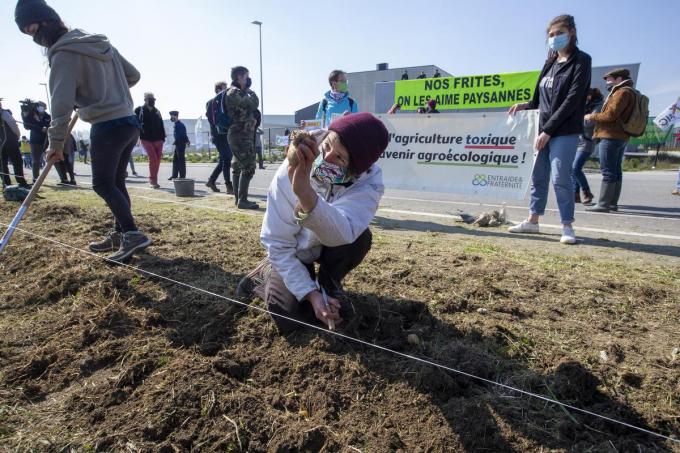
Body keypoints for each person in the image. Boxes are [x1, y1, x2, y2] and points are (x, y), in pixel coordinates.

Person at [17, 0, 151, 262]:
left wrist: (55, 143)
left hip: (107, 126)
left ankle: (133, 234)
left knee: (102, 183)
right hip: (128, 122)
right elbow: (133, 75)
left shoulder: (63, 54)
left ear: (47, 22)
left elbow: (61, 104)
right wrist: (108, 90)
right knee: (116, 182)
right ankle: (120, 232)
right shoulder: (99, 43)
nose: (35, 39)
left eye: (33, 31)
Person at [236, 112, 389, 334]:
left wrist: (306, 196)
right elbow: (277, 242)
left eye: (339, 158)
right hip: (292, 251)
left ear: (357, 169)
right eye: (327, 147)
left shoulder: (369, 184)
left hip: (328, 244)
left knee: (360, 237)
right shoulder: (290, 171)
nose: (326, 159)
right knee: (291, 318)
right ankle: (264, 274)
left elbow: (343, 232)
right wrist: (311, 295)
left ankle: (329, 285)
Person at [507, 14, 591, 245]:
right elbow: (540, 98)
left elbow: (572, 99)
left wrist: (549, 131)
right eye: (551, 35)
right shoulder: (550, 62)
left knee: (560, 177)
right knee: (538, 177)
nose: (554, 38)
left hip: (563, 131)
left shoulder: (581, 61)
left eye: (559, 33)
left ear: (571, 33)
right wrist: (526, 105)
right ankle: (533, 220)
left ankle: (567, 226)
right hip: (541, 128)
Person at [584, 69, 636, 212]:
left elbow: (610, 115)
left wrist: (591, 117)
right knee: (616, 170)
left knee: (608, 171)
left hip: (610, 135)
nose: (607, 83)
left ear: (619, 79)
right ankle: (612, 203)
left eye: (609, 79)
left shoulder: (621, 92)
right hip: (620, 136)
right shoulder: (630, 91)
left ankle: (604, 203)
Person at [225, 66, 260, 209]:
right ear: (239, 76)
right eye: (246, 76)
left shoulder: (236, 92)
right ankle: (242, 200)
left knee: (237, 166)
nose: (248, 79)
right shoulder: (233, 92)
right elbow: (253, 104)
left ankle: (238, 199)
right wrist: (250, 91)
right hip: (240, 135)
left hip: (241, 134)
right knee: (249, 166)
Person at [572, 87, 603, 205]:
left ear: (590, 96)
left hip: (587, 141)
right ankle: (575, 194)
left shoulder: (597, 105)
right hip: (576, 139)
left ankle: (587, 192)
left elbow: (590, 122)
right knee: (572, 169)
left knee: (576, 168)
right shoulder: (583, 106)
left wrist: (579, 118)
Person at [205, 81, 234, 194]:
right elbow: (212, 119)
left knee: (224, 160)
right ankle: (228, 186)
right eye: (224, 88)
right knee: (226, 159)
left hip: (226, 135)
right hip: (218, 136)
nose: (227, 91)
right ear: (217, 90)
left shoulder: (226, 103)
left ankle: (212, 181)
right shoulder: (211, 103)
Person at [134, 92, 165, 189]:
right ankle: (153, 181)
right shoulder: (139, 110)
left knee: (158, 160)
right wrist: (136, 137)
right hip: (146, 138)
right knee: (153, 159)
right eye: (150, 99)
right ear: (145, 100)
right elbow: (135, 123)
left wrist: (163, 138)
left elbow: (161, 124)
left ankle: (154, 179)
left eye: (153, 99)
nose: (152, 101)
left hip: (159, 139)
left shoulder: (157, 111)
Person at [0, 98, 30, 189]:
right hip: (10, 141)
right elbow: (13, 125)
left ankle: (6, 184)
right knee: (17, 161)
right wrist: (17, 135)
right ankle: (21, 182)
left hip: (1, 143)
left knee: (2, 164)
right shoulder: (4, 113)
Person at [22, 100, 51, 183]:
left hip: (46, 140)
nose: (42, 108)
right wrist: (26, 112)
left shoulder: (47, 116)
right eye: (40, 106)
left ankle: (64, 178)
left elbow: (49, 125)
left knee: (52, 158)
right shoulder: (32, 115)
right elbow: (27, 126)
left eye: (43, 106)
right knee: (35, 161)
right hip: (35, 141)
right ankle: (36, 180)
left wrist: (44, 126)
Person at [169, 110, 189, 180]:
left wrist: (187, 141)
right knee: (175, 160)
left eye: (172, 116)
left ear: (175, 116)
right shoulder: (176, 124)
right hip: (177, 144)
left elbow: (183, 134)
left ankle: (182, 176)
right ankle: (174, 175)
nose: (171, 118)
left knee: (181, 160)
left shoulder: (180, 125)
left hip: (180, 144)